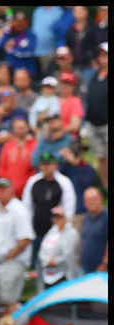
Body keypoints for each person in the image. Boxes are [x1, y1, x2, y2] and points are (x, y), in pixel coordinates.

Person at [0, 178, 36, 314]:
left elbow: (25, 238)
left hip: (11, 263)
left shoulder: (18, 209)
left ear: (11, 190)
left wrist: (10, 256)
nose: (0, 192)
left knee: (9, 301)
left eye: (4, 189)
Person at [22, 153, 77, 268]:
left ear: (55, 165)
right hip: (37, 229)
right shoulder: (33, 181)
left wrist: (63, 228)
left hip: (55, 231)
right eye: (43, 164)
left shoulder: (63, 182)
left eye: (49, 164)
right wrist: (28, 228)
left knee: (55, 262)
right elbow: (27, 206)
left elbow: (69, 207)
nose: (46, 167)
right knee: (37, 261)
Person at [81, 42, 108, 190]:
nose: (103, 58)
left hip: (108, 123)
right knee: (101, 157)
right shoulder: (93, 75)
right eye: (101, 55)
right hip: (93, 123)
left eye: (106, 55)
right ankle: (106, 187)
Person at [59, 138, 100, 232]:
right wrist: (66, 161)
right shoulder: (65, 167)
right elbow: (57, 178)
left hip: (82, 212)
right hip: (66, 212)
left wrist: (76, 165)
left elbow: (85, 184)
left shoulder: (87, 169)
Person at [37, 206, 80, 290]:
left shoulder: (71, 233)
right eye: (55, 217)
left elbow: (68, 254)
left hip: (63, 274)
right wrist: (46, 261)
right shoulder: (52, 232)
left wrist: (55, 261)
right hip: (47, 275)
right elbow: (42, 249)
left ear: (65, 218)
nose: (56, 220)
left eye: (59, 217)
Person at [0, 118, 38, 199]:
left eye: (22, 127)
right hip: (9, 189)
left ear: (27, 127)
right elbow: (2, 168)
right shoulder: (8, 146)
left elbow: (35, 168)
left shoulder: (35, 145)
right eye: (17, 127)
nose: (19, 130)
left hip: (28, 189)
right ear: (13, 129)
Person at [0, 11, 37, 78]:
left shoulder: (31, 35)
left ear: (26, 22)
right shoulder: (10, 33)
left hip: (26, 72)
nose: (19, 24)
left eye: (22, 21)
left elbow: (29, 52)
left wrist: (12, 49)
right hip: (11, 72)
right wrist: (7, 29)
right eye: (17, 21)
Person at [79, 187, 108, 275]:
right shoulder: (87, 216)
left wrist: (105, 263)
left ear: (101, 198)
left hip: (100, 269)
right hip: (85, 267)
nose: (91, 202)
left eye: (94, 199)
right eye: (87, 200)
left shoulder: (106, 217)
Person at [31, 6, 64, 76]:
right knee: (36, 78)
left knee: (47, 76)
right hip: (34, 51)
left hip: (48, 52)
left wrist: (57, 47)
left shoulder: (58, 11)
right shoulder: (38, 11)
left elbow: (60, 32)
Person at [58, 72, 84, 139]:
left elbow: (75, 125)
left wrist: (60, 132)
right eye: (64, 83)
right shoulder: (54, 100)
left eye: (69, 84)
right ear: (60, 84)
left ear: (73, 86)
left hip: (68, 138)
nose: (66, 86)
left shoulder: (75, 101)